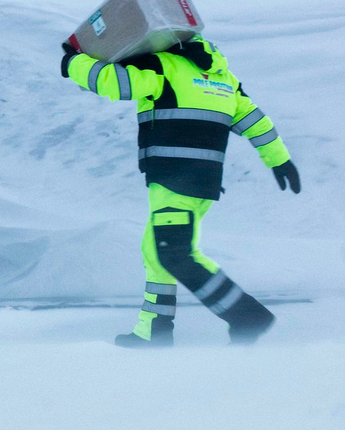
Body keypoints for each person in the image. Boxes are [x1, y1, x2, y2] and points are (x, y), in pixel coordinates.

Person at [60, 35, 301, 347]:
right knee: (155, 250)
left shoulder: (164, 66)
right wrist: (280, 159)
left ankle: (245, 315)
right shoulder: (223, 79)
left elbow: (115, 83)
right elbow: (256, 121)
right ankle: (154, 331)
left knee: (174, 253)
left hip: (174, 179)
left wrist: (73, 62)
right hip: (202, 182)